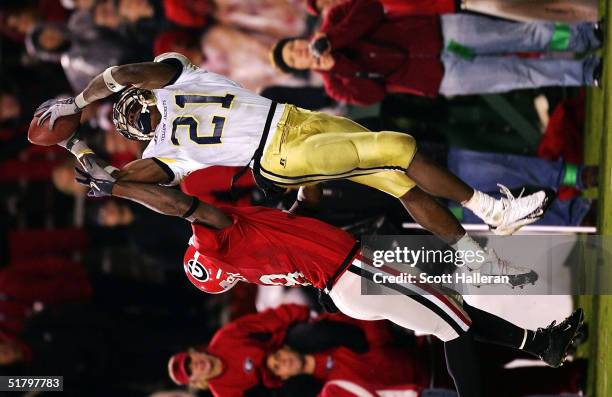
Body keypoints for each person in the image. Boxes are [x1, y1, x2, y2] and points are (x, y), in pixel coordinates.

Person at [71, 161, 583, 397]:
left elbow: (297, 214)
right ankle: (541, 347)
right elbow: (183, 205)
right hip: (350, 274)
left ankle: (543, 343)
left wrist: (305, 177)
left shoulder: (247, 249)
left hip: (345, 278)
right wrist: (117, 186)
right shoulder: (228, 238)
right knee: (452, 324)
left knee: (453, 316)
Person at [37, 52, 552, 284]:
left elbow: (122, 71)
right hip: (279, 157)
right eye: (137, 119)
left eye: (139, 102)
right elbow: (126, 185)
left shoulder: (176, 75)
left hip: (295, 119)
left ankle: (484, 264)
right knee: (399, 146)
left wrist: (78, 100)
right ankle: (491, 210)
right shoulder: (169, 152)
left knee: (401, 183)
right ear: (139, 134)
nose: (144, 112)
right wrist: (78, 148)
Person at [272, 0, 602, 105]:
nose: (300, 52)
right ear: (299, 68)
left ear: (300, 39)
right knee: (520, 73)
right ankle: (585, 72)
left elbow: (370, 9)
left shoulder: (333, 20)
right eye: (294, 58)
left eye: (295, 46)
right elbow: (373, 93)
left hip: (438, 33)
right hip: (440, 77)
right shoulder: (335, 85)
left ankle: (583, 36)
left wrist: (335, 39)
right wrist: (337, 63)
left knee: (522, 35)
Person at [167, 304, 420, 394]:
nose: (196, 365)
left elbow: (271, 319)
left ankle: (395, 333)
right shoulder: (225, 393)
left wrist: (305, 315)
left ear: (195, 352)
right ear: (196, 380)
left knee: (314, 333)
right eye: (191, 371)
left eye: (190, 360)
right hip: (285, 382)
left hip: (290, 345)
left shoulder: (225, 338)